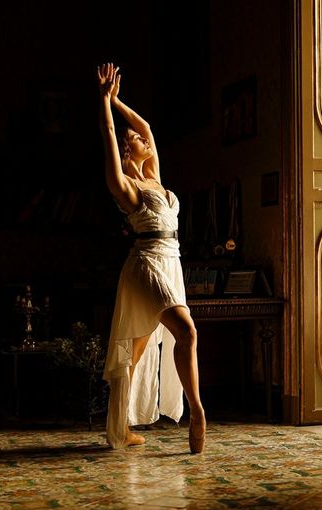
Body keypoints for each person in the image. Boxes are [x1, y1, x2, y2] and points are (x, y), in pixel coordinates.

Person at [97, 62, 206, 453]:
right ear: (127, 149)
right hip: (146, 266)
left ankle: (120, 426)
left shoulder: (155, 176)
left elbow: (146, 128)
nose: (139, 139)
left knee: (138, 349)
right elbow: (112, 136)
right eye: (131, 140)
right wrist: (105, 108)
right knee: (187, 332)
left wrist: (118, 99)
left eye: (137, 139)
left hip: (171, 262)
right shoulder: (126, 186)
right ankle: (197, 412)